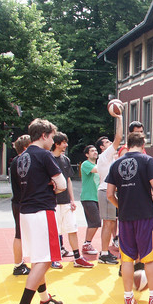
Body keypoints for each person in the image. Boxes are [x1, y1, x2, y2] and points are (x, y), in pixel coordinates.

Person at [11, 119, 67, 304]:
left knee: (37, 258)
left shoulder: (19, 159)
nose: (53, 141)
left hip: (25, 211)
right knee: (45, 259)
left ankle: (45, 300)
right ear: (43, 135)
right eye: (52, 136)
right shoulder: (44, 155)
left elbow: (18, 190)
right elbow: (60, 183)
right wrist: (54, 187)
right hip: (42, 210)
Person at [106, 132, 153, 304]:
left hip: (125, 216)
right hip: (145, 215)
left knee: (127, 259)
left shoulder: (116, 163)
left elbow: (109, 194)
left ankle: (128, 298)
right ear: (143, 144)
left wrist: (120, 206)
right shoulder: (147, 161)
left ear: (127, 144)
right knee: (149, 258)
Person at [51, 133, 93, 268]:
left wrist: (72, 199)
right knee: (55, 231)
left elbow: (68, 180)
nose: (66, 145)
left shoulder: (65, 160)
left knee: (72, 229)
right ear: (57, 144)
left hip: (66, 201)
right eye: (64, 142)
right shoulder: (48, 159)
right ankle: (54, 257)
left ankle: (77, 257)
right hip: (53, 202)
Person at [95, 114, 123, 265]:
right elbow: (118, 137)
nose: (110, 142)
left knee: (111, 223)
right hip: (106, 191)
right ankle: (104, 253)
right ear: (102, 147)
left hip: (109, 191)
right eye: (106, 142)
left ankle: (105, 252)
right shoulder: (105, 155)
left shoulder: (111, 158)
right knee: (107, 223)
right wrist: (119, 117)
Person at [10, 134, 31, 276]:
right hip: (22, 202)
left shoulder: (15, 161)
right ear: (25, 147)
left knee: (20, 233)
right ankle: (18, 265)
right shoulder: (22, 161)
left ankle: (19, 263)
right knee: (19, 234)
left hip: (19, 202)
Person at [80, 145, 100, 255]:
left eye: (96, 150)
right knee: (95, 222)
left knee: (92, 222)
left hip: (95, 197)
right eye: (92, 151)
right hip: (88, 197)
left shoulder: (96, 164)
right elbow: (97, 170)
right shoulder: (86, 164)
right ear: (87, 154)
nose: (95, 152)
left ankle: (87, 244)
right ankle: (87, 243)